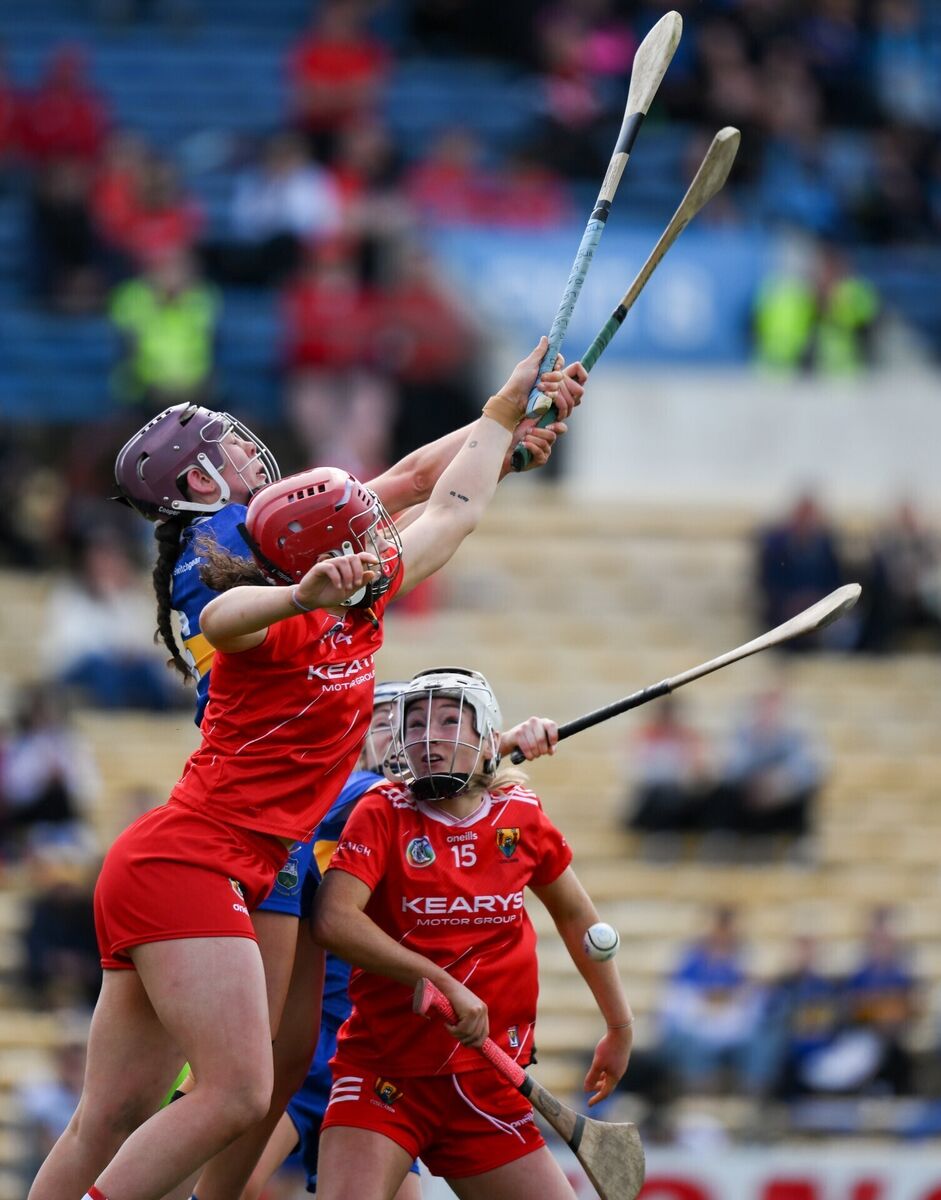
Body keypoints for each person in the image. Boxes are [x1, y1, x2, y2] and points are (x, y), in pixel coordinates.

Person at [29, 338, 585, 1200]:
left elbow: (432, 496)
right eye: (229, 447)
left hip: (256, 844)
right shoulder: (224, 558)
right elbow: (227, 615)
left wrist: (505, 422)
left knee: (177, 1095)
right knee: (230, 1089)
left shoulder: (348, 590)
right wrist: (300, 596)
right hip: (201, 853)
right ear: (203, 483)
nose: (252, 446)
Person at [311, 667, 634, 1200]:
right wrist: (441, 980)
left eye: (448, 720)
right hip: (385, 1077)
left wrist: (619, 1026)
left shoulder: (521, 816)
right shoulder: (381, 811)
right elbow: (333, 919)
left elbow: (579, 918)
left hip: (490, 1083)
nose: (429, 736)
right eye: (415, 723)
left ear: (484, 739)